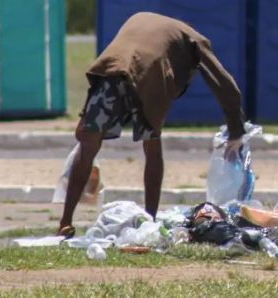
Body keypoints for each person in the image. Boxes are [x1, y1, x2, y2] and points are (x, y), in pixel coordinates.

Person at [56, 12, 246, 238]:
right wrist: (236, 130)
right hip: (150, 76)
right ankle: (150, 220)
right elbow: (225, 84)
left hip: (111, 70)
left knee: (88, 143)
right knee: (152, 148)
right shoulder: (193, 38)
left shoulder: (141, 17)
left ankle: (65, 223)